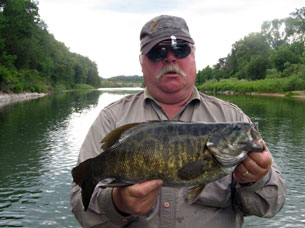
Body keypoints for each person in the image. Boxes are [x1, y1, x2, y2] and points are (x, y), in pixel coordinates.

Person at [70, 15, 286, 227]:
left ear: (193, 56)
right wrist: (118, 203)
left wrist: (255, 179)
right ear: (142, 62)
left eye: (180, 49)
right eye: (158, 52)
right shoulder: (111, 118)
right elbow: (81, 207)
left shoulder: (233, 118)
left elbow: (271, 205)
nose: (170, 58)